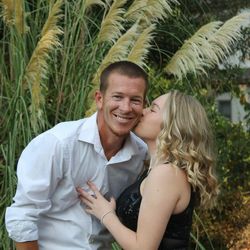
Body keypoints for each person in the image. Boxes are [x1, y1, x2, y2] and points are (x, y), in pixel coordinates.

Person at [5, 61, 149, 250]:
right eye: (118, 97)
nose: (126, 107)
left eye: (135, 100)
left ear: (144, 105)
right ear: (99, 99)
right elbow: (23, 216)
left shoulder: (141, 154)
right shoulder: (58, 143)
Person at [78, 90, 219, 250]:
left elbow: (144, 247)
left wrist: (106, 215)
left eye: (152, 109)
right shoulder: (157, 170)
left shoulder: (166, 174)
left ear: (173, 124)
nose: (142, 112)